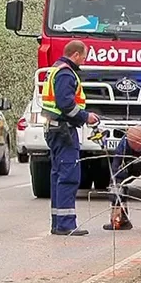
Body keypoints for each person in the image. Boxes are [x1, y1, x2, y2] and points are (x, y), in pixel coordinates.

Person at [40, 40, 99, 236]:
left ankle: (58, 222)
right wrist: (86, 117)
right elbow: (66, 104)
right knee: (68, 177)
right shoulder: (66, 73)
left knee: (58, 175)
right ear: (75, 55)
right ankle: (66, 224)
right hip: (64, 132)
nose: (84, 59)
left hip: (55, 130)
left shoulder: (56, 69)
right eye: (84, 55)